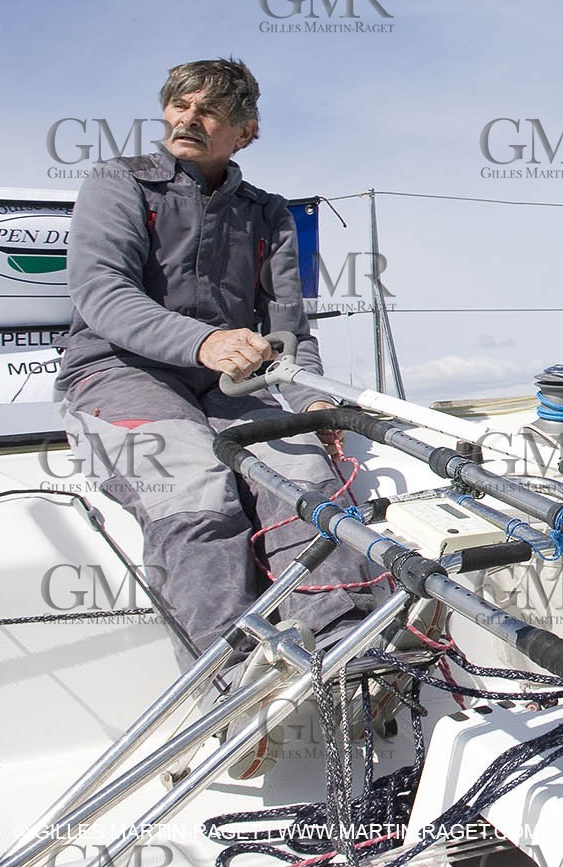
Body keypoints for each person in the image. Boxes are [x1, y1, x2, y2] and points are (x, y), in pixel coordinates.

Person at [54, 58, 377, 676]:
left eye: (209, 112)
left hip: (229, 384)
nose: (187, 120)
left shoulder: (269, 215)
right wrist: (204, 342)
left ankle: (347, 642)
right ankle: (227, 679)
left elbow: (288, 332)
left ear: (245, 131)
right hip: (115, 373)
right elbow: (103, 293)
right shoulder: (117, 182)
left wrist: (310, 401)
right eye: (179, 105)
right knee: (196, 486)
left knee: (304, 473)